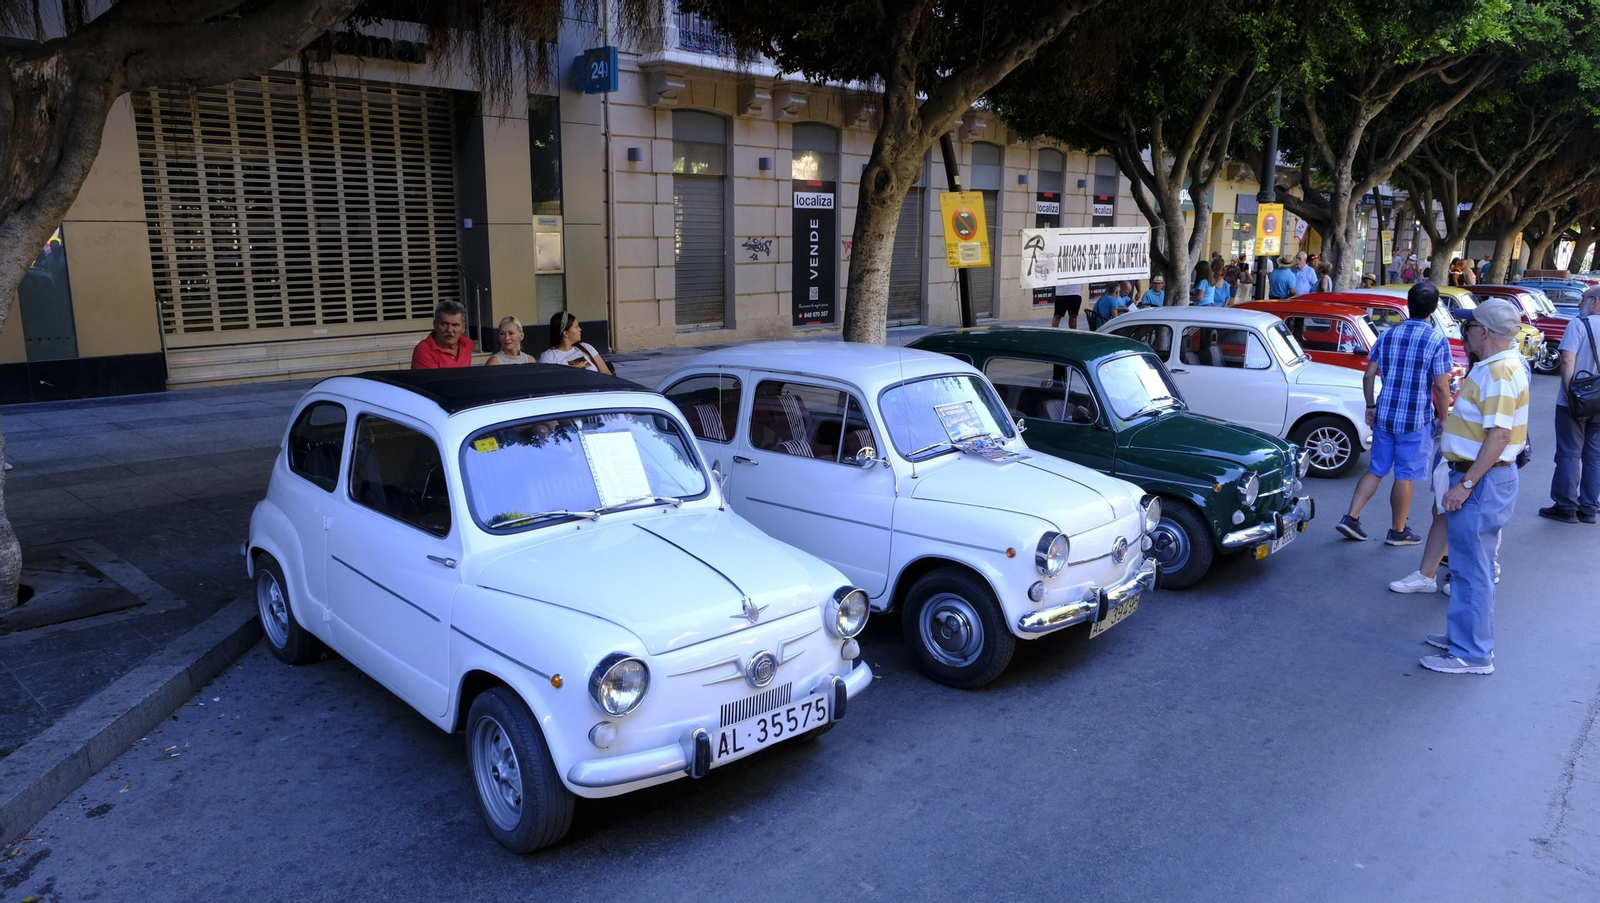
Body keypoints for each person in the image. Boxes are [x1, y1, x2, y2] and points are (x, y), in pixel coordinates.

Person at [1419, 298, 1529, 675]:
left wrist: (1465, 483)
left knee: (1472, 569)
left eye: (1469, 327)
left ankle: (1472, 652)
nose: (1465, 332)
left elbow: (1498, 436)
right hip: (1485, 479)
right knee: (1469, 566)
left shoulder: (1497, 372)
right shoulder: (1502, 366)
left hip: (1480, 480)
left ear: (1484, 332)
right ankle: (1463, 639)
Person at [1338, 281, 1453, 546]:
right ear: (1433, 309)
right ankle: (1398, 530)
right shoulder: (1437, 340)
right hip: (1415, 418)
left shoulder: (1387, 335)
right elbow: (1440, 385)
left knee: (1376, 469)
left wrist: (1370, 406)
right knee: (1405, 474)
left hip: (1385, 413)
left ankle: (1350, 517)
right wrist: (1444, 418)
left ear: (1408, 305)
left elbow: (1369, 375)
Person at [1540, 285, 1600, 523]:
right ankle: (1589, 507)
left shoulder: (1578, 324)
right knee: (1594, 456)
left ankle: (1565, 505)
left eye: (1583, 299)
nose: (1580, 304)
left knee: (1569, 453)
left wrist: (1568, 391)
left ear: (1594, 302)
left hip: (1577, 399)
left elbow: (1567, 360)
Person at [538, 311, 613, 374]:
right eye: (576, 327)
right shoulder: (549, 357)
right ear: (566, 333)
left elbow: (606, 373)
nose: (580, 329)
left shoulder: (586, 348)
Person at [411, 300, 474, 369]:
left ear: (463, 328)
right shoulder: (424, 350)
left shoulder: (467, 344)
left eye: (455, 325)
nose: (449, 330)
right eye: (444, 324)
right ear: (435, 325)